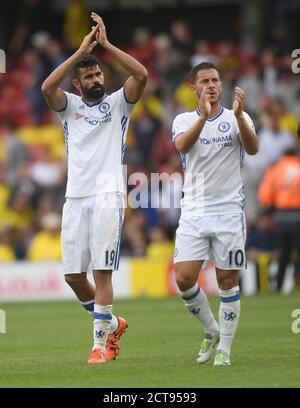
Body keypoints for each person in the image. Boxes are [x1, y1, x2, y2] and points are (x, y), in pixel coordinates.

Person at [41, 12, 148, 364]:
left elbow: (141, 74)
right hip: (75, 198)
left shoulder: (119, 104)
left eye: (98, 72)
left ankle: (99, 346)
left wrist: (105, 46)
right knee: (74, 276)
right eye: (88, 76)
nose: (96, 78)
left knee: (101, 272)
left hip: (107, 195)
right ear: (78, 84)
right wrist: (80, 52)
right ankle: (113, 324)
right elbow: (46, 88)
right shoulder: (69, 108)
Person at [172, 62, 258, 366]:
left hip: (228, 211)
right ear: (193, 88)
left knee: (227, 278)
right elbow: (183, 145)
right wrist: (204, 118)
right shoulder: (183, 120)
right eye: (205, 81)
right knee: (183, 278)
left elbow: (254, 148)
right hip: (194, 211)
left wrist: (238, 118)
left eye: (216, 81)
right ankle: (211, 330)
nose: (211, 85)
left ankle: (226, 348)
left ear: (221, 86)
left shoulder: (240, 117)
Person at [258, 147, 300, 292]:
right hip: (298, 216)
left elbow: (265, 196)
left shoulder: (275, 169)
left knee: (284, 254)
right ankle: (297, 284)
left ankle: (279, 286)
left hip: (281, 218)